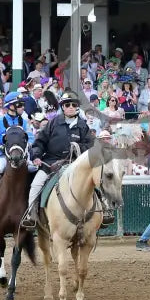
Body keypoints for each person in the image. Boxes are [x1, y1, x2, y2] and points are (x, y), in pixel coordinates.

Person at [24, 91, 94, 228]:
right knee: (36, 185)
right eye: (67, 104)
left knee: (97, 182)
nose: (71, 107)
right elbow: (40, 142)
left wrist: (78, 146)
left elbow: (91, 145)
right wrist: (37, 156)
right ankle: (31, 215)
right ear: (62, 107)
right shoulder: (53, 123)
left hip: (76, 165)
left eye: (74, 104)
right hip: (51, 163)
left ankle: (104, 211)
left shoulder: (83, 126)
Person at [0, 91, 33, 196]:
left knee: (34, 168)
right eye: (20, 104)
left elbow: (31, 137)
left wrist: (27, 146)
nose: (23, 107)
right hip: (3, 156)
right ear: (11, 106)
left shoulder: (24, 122)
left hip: (22, 156)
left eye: (23, 104)